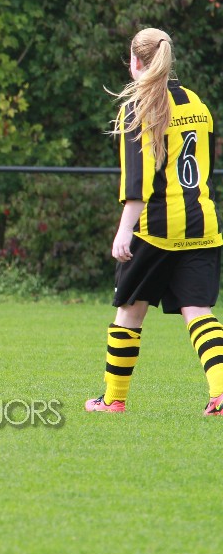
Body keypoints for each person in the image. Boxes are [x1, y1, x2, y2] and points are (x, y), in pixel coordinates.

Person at [85, 28, 223, 415]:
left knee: (129, 311)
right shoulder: (197, 103)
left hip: (155, 228)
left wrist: (123, 231)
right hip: (202, 224)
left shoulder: (139, 106)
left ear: (135, 61)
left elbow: (137, 181)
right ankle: (220, 393)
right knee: (198, 310)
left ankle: (113, 400)